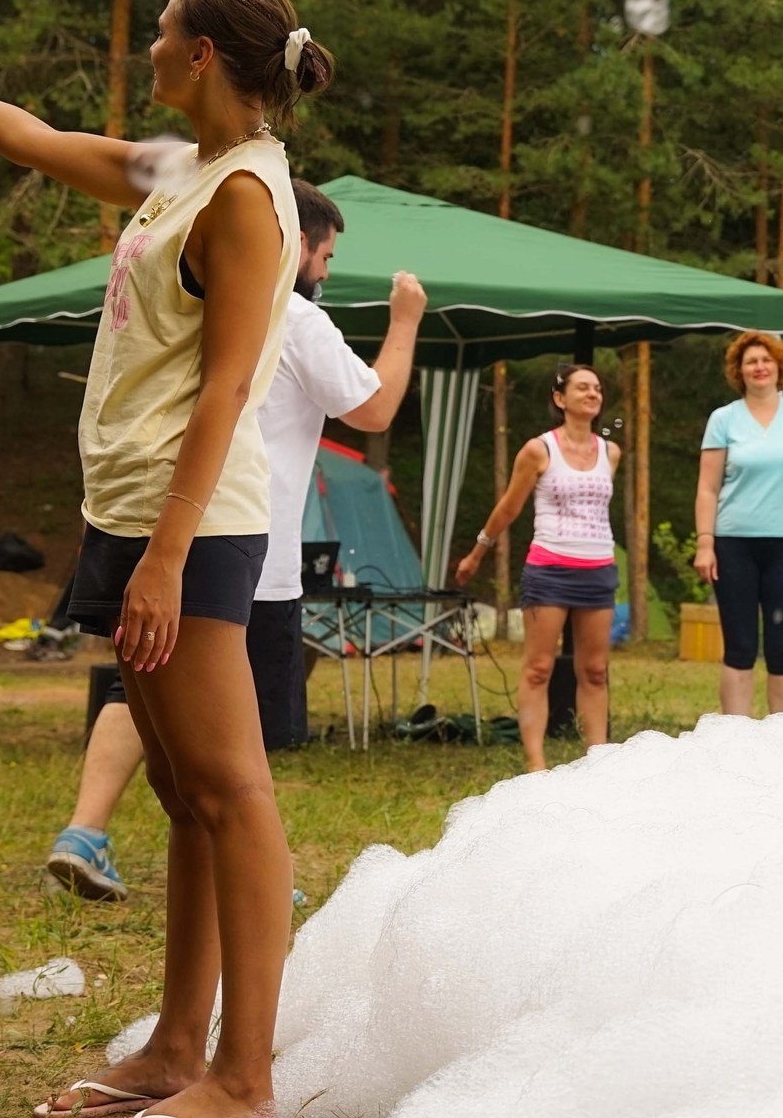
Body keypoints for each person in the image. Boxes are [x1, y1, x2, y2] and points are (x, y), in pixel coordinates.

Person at [0, 0, 320, 1118]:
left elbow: (227, 391)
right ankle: (178, 1050)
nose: (151, 49)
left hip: (196, 524)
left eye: (165, 33)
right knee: (180, 793)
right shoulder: (182, 167)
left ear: (207, 55)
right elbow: (38, 139)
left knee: (232, 791)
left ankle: (245, 1079)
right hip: (128, 512)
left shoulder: (242, 197)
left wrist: (168, 557)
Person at [45, 179, 426, 902]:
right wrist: (404, 321)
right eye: (327, 255)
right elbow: (375, 407)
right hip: (249, 548)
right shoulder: (295, 316)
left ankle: (85, 829)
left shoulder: (193, 301)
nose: (326, 271)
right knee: (236, 723)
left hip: (162, 527)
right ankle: (250, 866)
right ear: (298, 246)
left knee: (147, 689)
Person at [454, 366, 620, 771]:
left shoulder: (610, 452)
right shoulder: (538, 450)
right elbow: (510, 505)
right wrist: (478, 551)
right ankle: (535, 765)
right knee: (539, 667)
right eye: (582, 387)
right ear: (560, 399)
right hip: (549, 570)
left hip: (598, 570)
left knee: (595, 671)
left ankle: (598, 762)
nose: (592, 394)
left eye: (597, 388)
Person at [692, 332, 783, 717]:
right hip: (733, 543)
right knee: (739, 646)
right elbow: (707, 487)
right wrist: (705, 543)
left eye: (766, 360)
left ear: (778, 368)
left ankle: (782, 739)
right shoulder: (723, 419)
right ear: (739, 371)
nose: (759, 367)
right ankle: (734, 738)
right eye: (750, 361)